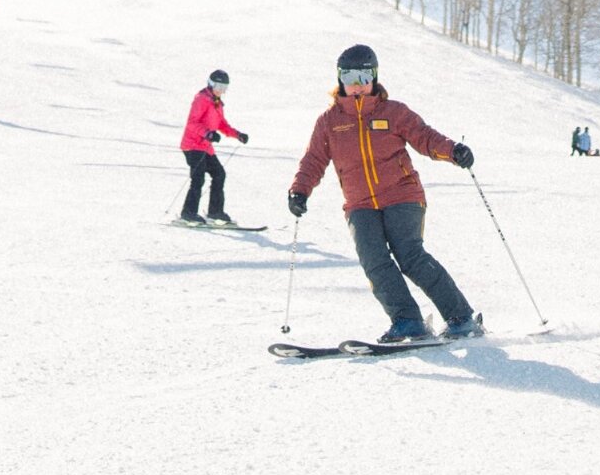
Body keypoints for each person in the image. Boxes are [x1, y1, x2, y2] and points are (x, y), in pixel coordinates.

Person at [287, 44, 483, 343]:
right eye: (349, 77)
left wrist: (453, 151)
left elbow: (425, 137)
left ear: (374, 77)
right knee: (373, 260)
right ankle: (407, 321)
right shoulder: (329, 122)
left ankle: (461, 318)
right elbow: (313, 159)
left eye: (364, 77)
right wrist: (299, 191)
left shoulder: (394, 112)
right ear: (340, 79)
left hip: (402, 195)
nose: (357, 85)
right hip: (359, 203)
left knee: (410, 255)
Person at [178, 69, 249, 225]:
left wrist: (238, 135)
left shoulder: (216, 103)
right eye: (218, 86)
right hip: (192, 145)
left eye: (224, 88)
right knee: (198, 178)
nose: (221, 90)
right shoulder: (201, 99)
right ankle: (188, 213)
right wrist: (207, 133)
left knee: (219, 174)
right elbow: (192, 123)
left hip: (205, 147)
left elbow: (222, 124)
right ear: (211, 84)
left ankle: (215, 212)